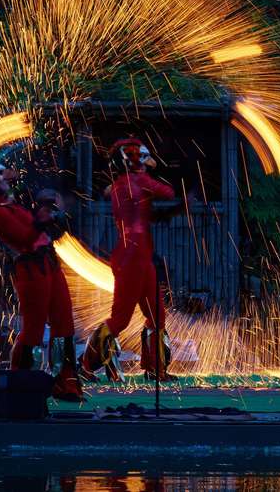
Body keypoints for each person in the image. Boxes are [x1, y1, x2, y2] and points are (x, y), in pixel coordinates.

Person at [0, 161, 82, 402]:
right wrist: (42, 219)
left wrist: (48, 219)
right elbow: (25, 237)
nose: (7, 176)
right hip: (31, 270)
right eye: (0, 174)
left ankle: (66, 381)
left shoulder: (9, 205)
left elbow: (37, 232)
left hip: (48, 264)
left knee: (64, 323)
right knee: (34, 329)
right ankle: (21, 380)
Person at [81, 137, 177, 382]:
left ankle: (156, 369)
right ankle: (87, 366)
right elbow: (167, 192)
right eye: (143, 158)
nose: (146, 163)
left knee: (156, 315)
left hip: (137, 256)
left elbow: (145, 211)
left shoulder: (119, 185)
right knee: (120, 319)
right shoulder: (137, 182)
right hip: (132, 258)